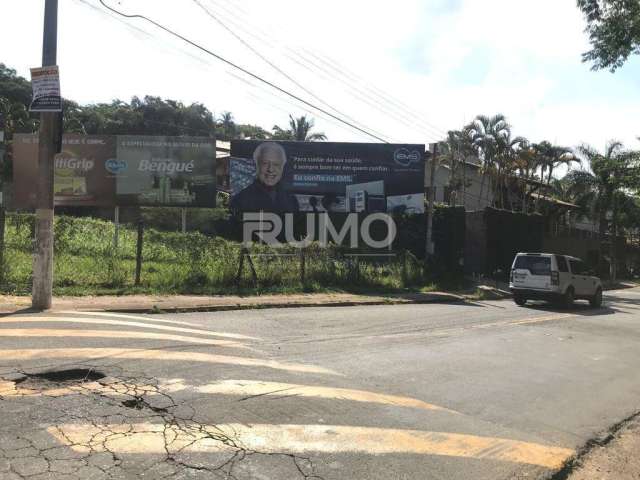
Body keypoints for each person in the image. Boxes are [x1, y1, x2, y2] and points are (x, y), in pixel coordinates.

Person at [230, 142, 299, 212]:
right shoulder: (240, 200)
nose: (270, 169)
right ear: (257, 165)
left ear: (282, 167)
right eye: (265, 163)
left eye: (276, 164)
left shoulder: (292, 200)